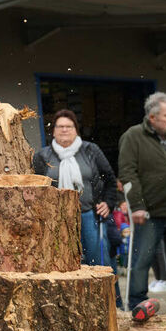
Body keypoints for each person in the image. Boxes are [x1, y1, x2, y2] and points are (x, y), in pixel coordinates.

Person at [118, 92, 166, 313]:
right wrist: (137, 206)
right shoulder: (133, 137)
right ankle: (136, 306)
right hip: (148, 213)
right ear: (152, 118)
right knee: (141, 260)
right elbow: (127, 173)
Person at [33, 109, 119, 267]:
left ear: (76, 130)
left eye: (69, 126)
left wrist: (108, 202)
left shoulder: (90, 150)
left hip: (89, 214)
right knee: (62, 263)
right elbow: (35, 187)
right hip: (56, 218)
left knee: (99, 263)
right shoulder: (43, 156)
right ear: (53, 131)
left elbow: (110, 179)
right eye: (60, 126)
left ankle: (110, 292)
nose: (64, 130)